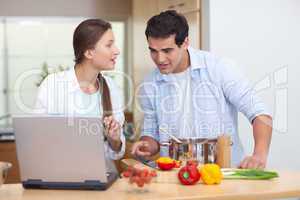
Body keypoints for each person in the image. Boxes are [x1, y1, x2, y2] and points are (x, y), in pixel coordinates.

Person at [131, 10, 272, 169]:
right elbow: (151, 135)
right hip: (176, 177)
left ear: (185, 43)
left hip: (223, 175)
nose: (159, 59)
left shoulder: (219, 69)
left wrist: (259, 155)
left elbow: (259, 113)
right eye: (153, 51)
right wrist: (146, 145)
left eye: (167, 50)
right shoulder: (150, 83)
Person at [35, 19, 125, 172]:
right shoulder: (53, 85)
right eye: (109, 45)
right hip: (60, 178)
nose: (116, 50)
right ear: (89, 52)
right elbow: (37, 140)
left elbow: (116, 152)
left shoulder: (111, 88)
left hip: (100, 181)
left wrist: (114, 138)